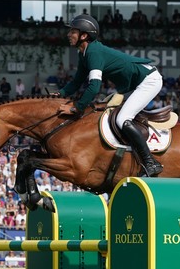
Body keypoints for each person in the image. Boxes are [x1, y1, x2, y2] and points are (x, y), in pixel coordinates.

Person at [55, 14, 164, 176]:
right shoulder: (84, 54)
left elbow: (94, 87)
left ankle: (150, 162)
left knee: (122, 119)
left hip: (149, 80)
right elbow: (77, 82)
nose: (68, 34)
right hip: (138, 83)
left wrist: (77, 108)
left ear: (84, 35)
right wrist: (59, 94)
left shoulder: (93, 52)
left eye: (73, 31)